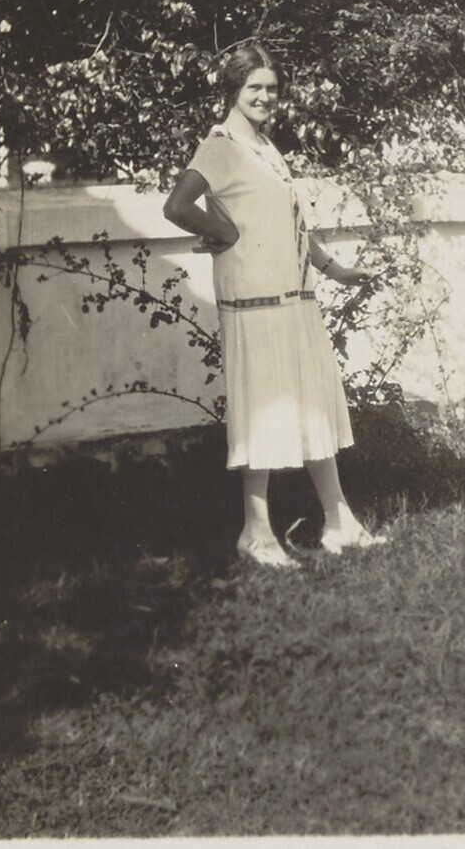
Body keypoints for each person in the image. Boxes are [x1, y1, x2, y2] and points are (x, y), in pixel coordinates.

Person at [164, 43, 386, 568]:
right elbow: (177, 205)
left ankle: (339, 522)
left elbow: (291, 226)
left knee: (310, 402)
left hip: (294, 295)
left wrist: (334, 269)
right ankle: (256, 532)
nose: (265, 97)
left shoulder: (265, 147)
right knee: (261, 408)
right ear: (233, 91)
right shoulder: (219, 147)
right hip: (253, 298)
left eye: (272, 88)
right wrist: (221, 230)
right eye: (254, 88)